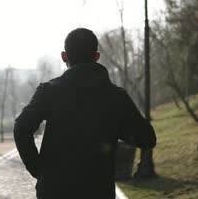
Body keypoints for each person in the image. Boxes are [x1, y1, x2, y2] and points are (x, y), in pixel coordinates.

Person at [14, 28, 156, 199]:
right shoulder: (116, 96)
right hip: (98, 190)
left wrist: (39, 171)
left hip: (54, 191)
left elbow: (21, 128)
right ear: (96, 57)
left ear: (64, 57)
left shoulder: (49, 91)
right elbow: (147, 138)